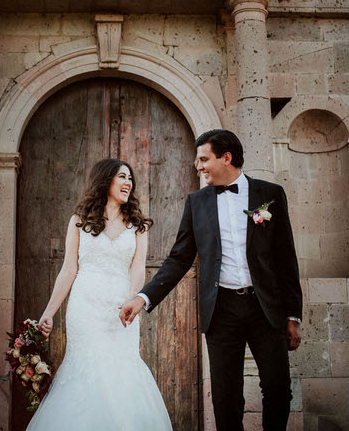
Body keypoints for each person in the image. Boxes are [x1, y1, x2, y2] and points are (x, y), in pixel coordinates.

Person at [120, 129, 303, 431]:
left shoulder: (269, 194)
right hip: (222, 312)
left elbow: (286, 258)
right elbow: (178, 259)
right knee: (225, 399)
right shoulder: (197, 202)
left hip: (266, 309)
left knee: (278, 390)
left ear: (226, 157)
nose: (199, 166)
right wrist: (143, 297)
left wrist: (292, 314)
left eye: (204, 159)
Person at [26, 158, 173, 431]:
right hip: (85, 307)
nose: (128, 182)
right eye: (122, 177)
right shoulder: (79, 221)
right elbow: (69, 270)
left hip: (121, 309)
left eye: (130, 178)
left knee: (122, 369)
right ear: (106, 180)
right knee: (85, 369)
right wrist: (48, 313)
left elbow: (138, 269)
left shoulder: (138, 226)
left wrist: (133, 300)